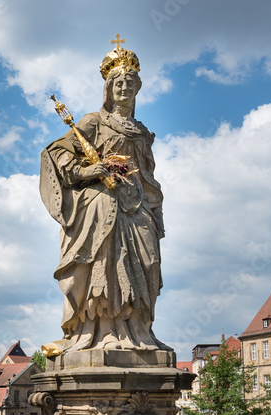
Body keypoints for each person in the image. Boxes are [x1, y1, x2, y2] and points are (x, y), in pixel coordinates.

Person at [39, 37, 171, 353]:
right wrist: (92, 171)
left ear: (137, 88)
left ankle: (139, 333)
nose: (124, 88)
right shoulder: (93, 121)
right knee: (107, 267)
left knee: (148, 264)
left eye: (130, 83)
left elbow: (146, 174)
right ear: (109, 89)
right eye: (118, 83)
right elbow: (59, 154)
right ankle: (102, 334)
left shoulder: (140, 131)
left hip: (137, 205)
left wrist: (154, 205)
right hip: (102, 206)